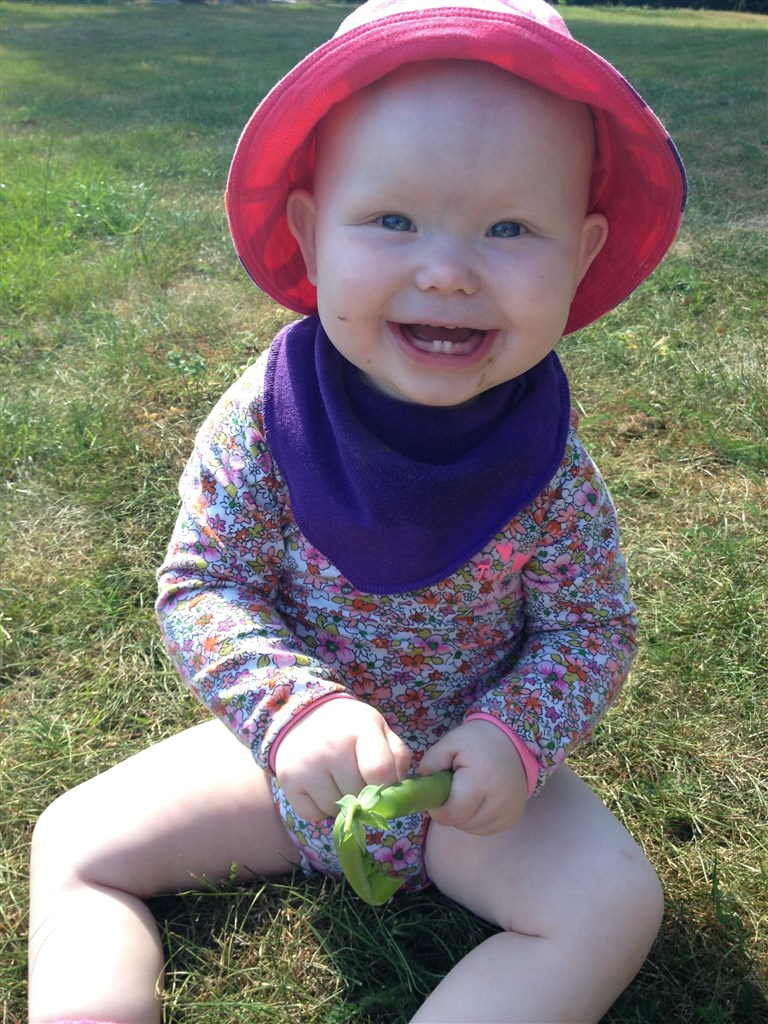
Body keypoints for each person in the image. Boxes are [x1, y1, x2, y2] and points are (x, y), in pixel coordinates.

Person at [28, 1, 687, 1022]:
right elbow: (204, 584)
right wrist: (293, 712)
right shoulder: (267, 420)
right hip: (288, 768)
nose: (448, 270)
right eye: (392, 220)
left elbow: (590, 627)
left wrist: (513, 737)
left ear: (583, 252)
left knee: (613, 903)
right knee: (75, 845)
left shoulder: (547, 465)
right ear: (309, 230)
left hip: (473, 791)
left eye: (511, 228)